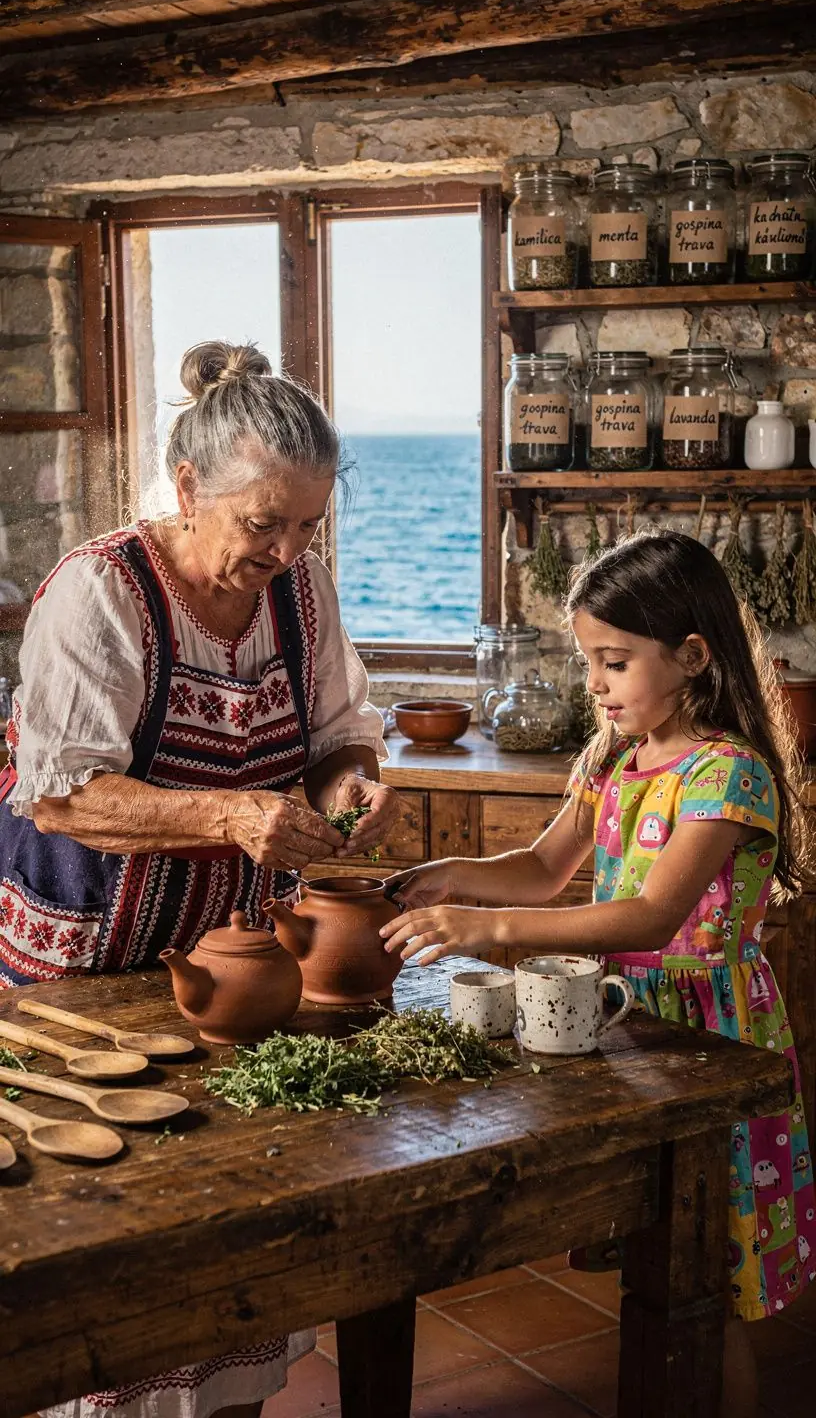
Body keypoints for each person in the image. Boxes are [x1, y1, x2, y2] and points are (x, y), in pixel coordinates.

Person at [0, 340, 400, 1418]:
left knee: (236, 1219)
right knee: (102, 1237)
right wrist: (231, 812)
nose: (287, 549)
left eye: (308, 524)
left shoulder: (299, 595)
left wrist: (353, 780)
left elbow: (335, 736)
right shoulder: (99, 592)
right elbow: (65, 798)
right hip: (84, 964)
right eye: (262, 523)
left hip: (230, 969)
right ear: (186, 489)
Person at [381, 529, 816, 1418]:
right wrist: (453, 876)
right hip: (626, 1025)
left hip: (709, 1040)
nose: (594, 685)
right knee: (655, 1257)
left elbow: (653, 917)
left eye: (613, 662)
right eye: (589, 661)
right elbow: (543, 867)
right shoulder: (618, 758)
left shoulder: (728, 776)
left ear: (692, 657)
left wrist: (488, 926)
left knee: (710, 1280)